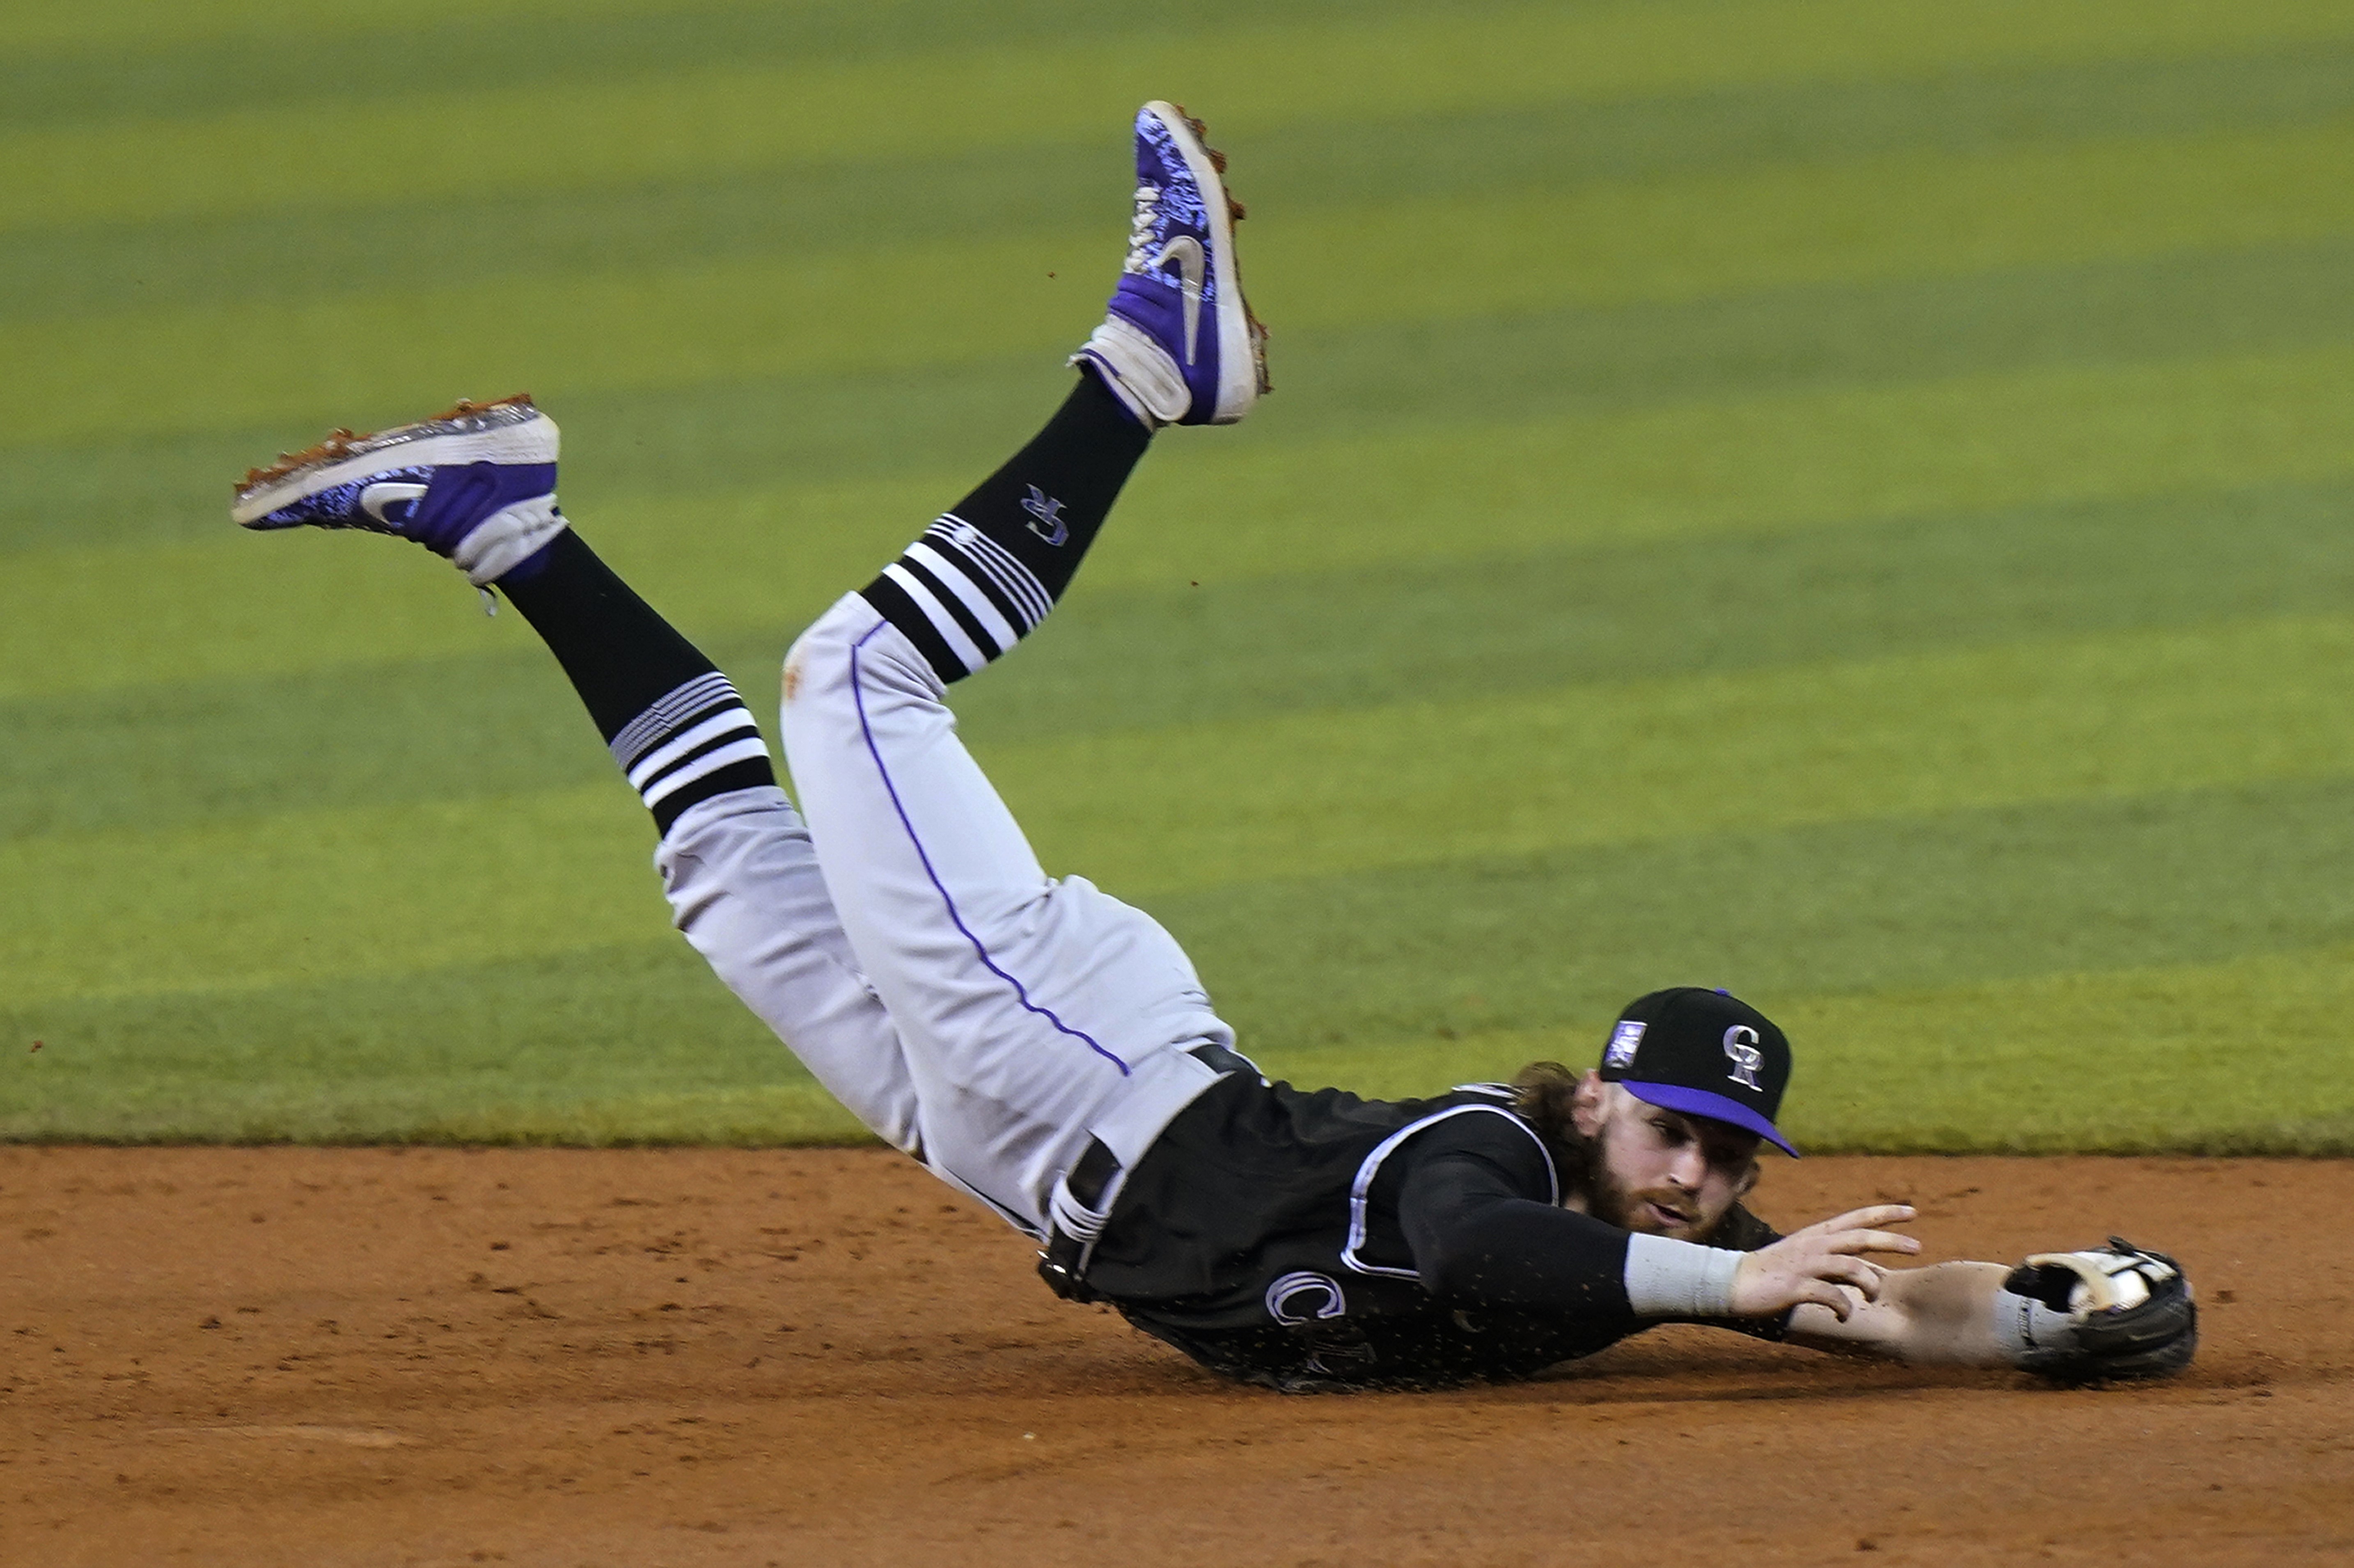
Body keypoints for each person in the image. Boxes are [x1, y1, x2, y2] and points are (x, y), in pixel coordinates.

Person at [231, 103, 2196, 1393]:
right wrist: (1732, 1288)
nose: (1705, 1183)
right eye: (1683, 1134)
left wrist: (2050, 1313)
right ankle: (1146, 367)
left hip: (999, 1141)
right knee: (857, 675)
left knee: (731, 870)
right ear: (1599, 1102)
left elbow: (1864, 1303)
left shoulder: (1638, 1230)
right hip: (1074, 1047)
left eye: (1730, 1161)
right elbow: (1496, 1260)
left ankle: (506, 526)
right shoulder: (1496, 1155)